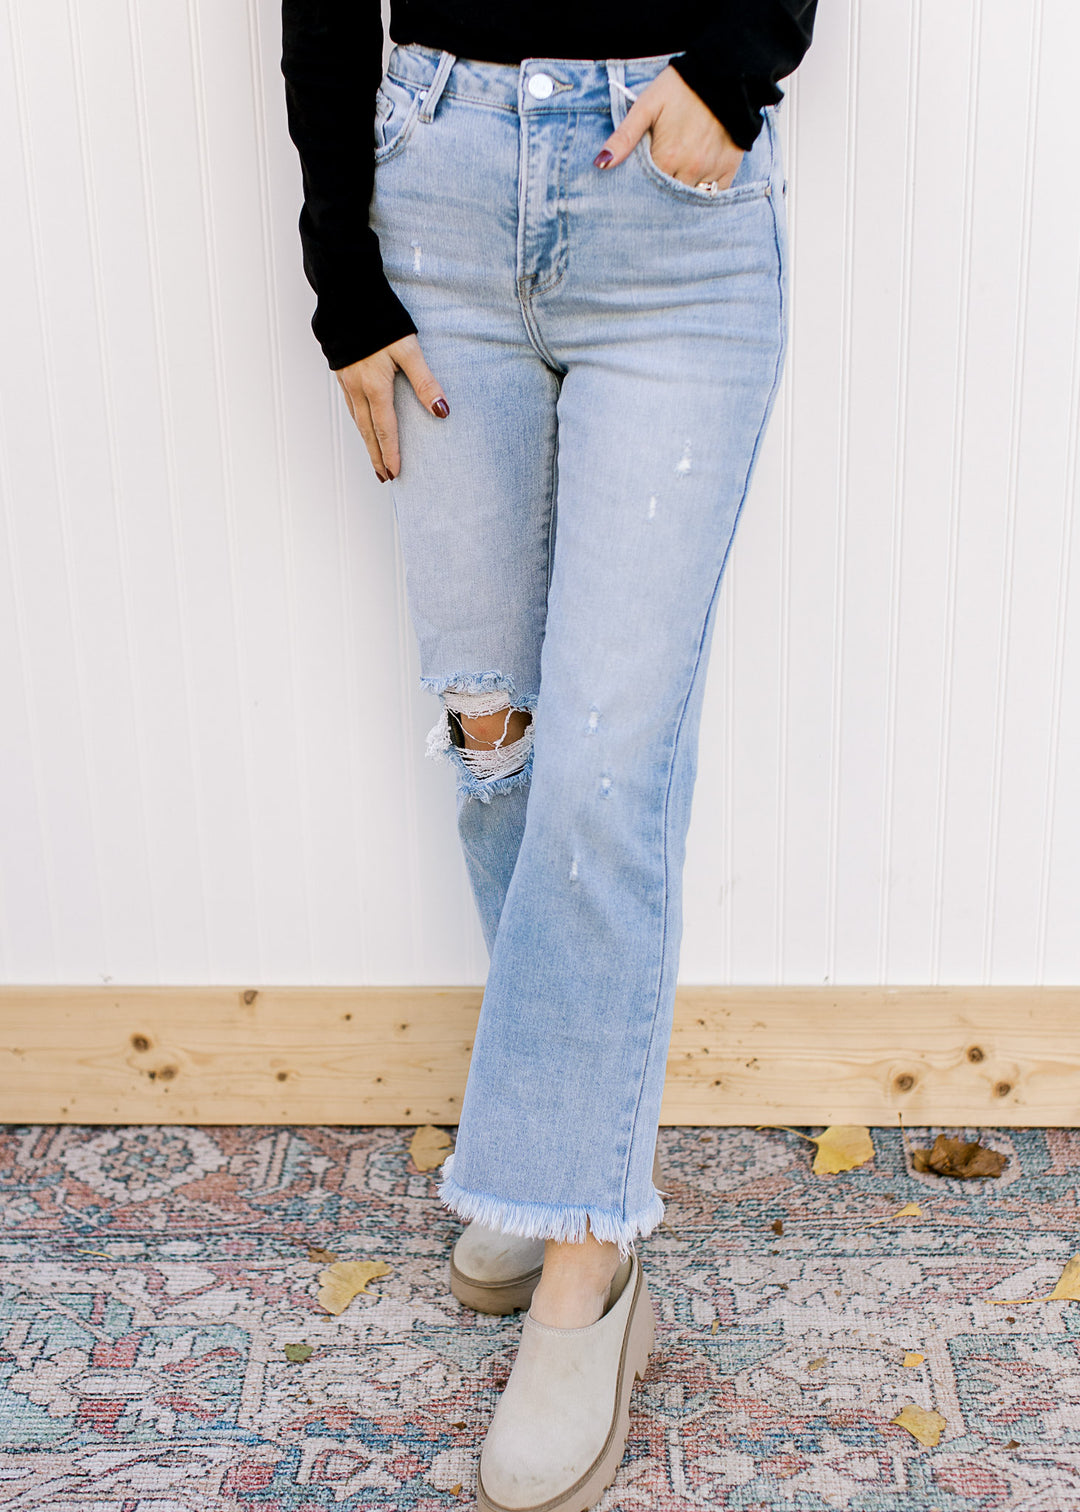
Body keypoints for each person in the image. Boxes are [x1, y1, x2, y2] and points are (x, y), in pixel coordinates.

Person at [281, 4, 818, 1508]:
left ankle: (588, 1262)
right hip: (437, 176)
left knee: (605, 767)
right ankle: (550, 1126)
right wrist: (342, 262)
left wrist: (734, 65)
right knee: (491, 727)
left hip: (674, 208)